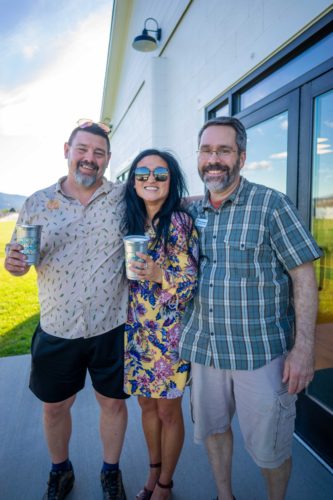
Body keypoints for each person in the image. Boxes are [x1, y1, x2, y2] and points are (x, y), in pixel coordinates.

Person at [179, 116, 322, 500]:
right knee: (213, 430)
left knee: (270, 451)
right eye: (207, 150)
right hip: (205, 351)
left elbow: (304, 277)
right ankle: (225, 496)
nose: (214, 159)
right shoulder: (191, 214)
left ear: (241, 157)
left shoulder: (271, 205)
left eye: (224, 150)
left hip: (260, 354)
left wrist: (304, 348)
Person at [4, 121, 129, 500]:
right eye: (83, 149)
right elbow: (19, 258)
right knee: (56, 407)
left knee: (113, 403)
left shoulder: (125, 198)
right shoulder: (38, 202)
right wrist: (14, 264)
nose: (90, 159)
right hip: (57, 327)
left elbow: (166, 201)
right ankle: (61, 470)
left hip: (111, 325)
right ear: (67, 150)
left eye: (99, 152)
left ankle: (111, 472)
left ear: (107, 159)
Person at [123, 149, 199, 500]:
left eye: (160, 173)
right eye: (142, 172)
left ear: (172, 181)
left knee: (168, 410)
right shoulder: (130, 221)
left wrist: (158, 274)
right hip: (136, 333)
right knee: (146, 406)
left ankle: (165, 485)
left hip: (168, 335)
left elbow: (191, 281)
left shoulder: (180, 222)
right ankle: (153, 474)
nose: (150, 178)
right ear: (134, 180)